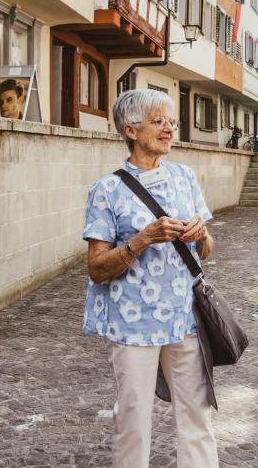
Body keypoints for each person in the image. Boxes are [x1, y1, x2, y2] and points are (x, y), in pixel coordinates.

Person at [83, 89, 219, 468]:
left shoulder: (184, 178)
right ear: (130, 129)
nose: (168, 129)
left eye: (171, 122)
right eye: (158, 122)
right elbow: (96, 267)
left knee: (197, 415)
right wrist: (143, 239)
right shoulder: (106, 189)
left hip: (184, 319)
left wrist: (200, 235)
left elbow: (206, 250)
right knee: (134, 421)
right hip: (132, 324)